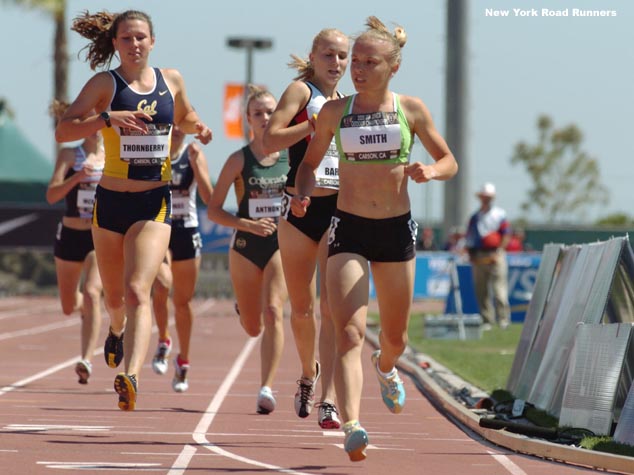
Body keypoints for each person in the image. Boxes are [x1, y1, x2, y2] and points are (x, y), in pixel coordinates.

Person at [289, 16, 458, 461]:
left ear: (393, 66)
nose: (358, 69)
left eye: (369, 61)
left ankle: (385, 368)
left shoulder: (411, 110)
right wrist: (302, 194)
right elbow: (307, 165)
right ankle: (351, 424)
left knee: (396, 338)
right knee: (347, 330)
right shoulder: (333, 112)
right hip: (348, 227)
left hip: (396, 231)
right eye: (355, 61)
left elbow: (448, 160)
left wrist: (431, 170)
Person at [55, 9, 212, 411]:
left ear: (153, 42)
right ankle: (116, 328)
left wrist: (200, 128)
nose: (135, 44)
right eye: (126, 38)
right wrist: (106, 117)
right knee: (113, 298)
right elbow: (65, 130)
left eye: (141, 37)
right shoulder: (105, 84)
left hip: (154, 200)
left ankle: (132, 376)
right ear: (115, 44)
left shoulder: (170, 80)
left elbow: (186, 114)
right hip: (110, 202)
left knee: (138, 289)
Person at [262, 28, 349, 429]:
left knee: (332, 309)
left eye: (343, 56)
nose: (337, 63)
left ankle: (328, 400)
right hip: (298, 207)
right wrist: (312, 127)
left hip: (337, 208)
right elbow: (269, 141)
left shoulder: (350, 104)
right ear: (314, 57)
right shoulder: (301, 92)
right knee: (301, 308)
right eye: (329, 55)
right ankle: (307, 373)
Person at [207, 85, 288, 414]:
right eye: (259, 113)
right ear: (248, 120)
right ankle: (245, 308)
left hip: (281, 245)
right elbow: (214, 210)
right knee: (253, 326)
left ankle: (266, 386)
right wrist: (247, 225)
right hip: (244, 244)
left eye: (271, 111)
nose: (266, 118)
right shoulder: (239, 160)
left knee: (273, 312)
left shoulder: (292, 157)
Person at [150, 124, 213, 392]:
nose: (175, 130)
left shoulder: (193, 154)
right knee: (162, 284)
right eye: (170, 124)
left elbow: (211, 199)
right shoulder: (153, 151)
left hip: (186, 229)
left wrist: (198, 168)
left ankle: (183, 359)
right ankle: (164, 339)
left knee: (182, 301)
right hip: (159, 227)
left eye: (180, 125)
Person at [46, 99, 104, 385]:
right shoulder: (70, 155)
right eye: (89, 123)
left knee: (93, 292)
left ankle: (86, 358)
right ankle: (89, 311)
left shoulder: (112, 158)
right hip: (69, 235)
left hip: (98, 236)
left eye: (100, 123)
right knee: (70, 305)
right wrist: (78, 177)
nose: (95, 129)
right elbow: (52, 195)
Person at [464, 182, 511, 330]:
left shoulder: (499, 214)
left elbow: (506, 234)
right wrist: (471, 253)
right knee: (481, 290)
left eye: (488, 197)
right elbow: (470, 237)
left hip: (495, 254)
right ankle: (487, 320)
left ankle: (503, 318)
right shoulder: (475, 217)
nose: (486, 199)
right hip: (479, 255)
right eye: (484, 197)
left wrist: (499, 251)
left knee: (499, 290)